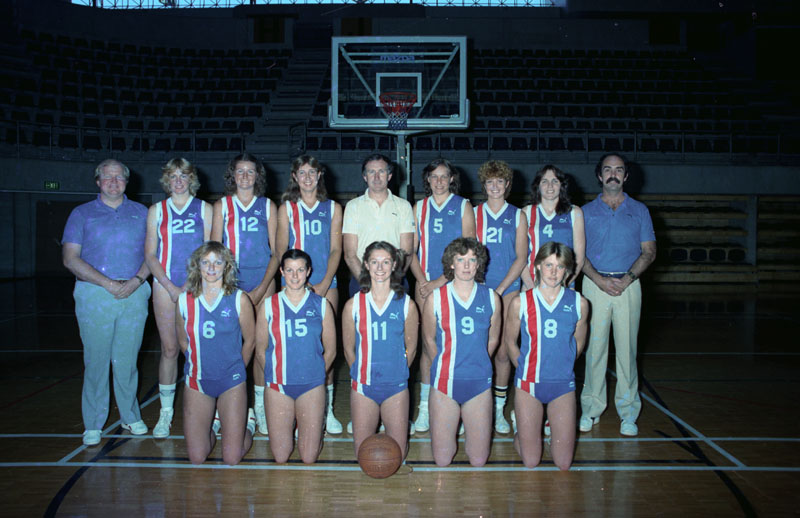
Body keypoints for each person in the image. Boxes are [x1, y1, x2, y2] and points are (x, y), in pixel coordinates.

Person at [62, 159, 151, 446]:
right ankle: (93, 423)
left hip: (134, 292)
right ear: (98, 182)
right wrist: (108, 283)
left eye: (119, 178)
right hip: (94, 295)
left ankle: (130, 415)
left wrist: (136, 281)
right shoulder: (81, 214)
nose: (113, 182)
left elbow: (154, 255)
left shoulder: (143, 213)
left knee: (127, 361)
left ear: (127, 181)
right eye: (107, 177)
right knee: (96, 361)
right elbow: (70, 258)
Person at [580, 153, 656, 437]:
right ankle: (591, 409)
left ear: (626, 176)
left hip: (628, 285)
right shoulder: (585, 212)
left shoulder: (640, 210)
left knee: (627, 351)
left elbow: (649, 251)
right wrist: (599, 279)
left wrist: (627, 279)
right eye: (607, 169)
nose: (613, 174)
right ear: (600, 176)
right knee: (594, 350)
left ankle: (628, 413)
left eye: (619, 170)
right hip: (594, 284)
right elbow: (578, 253)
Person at [504, 242, 589, 470]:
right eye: (549, 265)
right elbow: (510, 342)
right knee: (531, 461)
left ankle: (546, 432)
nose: (553, 272)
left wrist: (564, 363)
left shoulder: (579, 303)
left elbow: (579, 341)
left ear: (568, 271)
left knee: (563, 464)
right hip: (529, 384)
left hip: (562, 384)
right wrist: (523, 368)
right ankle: (522, 431)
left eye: (560, 267)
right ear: (538, 266)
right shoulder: (520, 302)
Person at [275, 155, 343, 435]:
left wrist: (326, 281)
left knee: (325, 347)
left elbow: (336, 248)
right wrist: (293, 284)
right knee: (293, 345)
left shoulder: (334, 207)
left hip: (327, 281)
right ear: (294, 176)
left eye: (311, 172)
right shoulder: (287, 209)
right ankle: (291, 408)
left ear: (319, 175)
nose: (306, 177)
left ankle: (326, 409)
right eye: (301, 172)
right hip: (293, 282)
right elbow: (281, 248)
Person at [144, 158, 212, 439]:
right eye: (173, 176)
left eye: (183, 175)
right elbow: (150, 254)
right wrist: (171, 286)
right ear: (166, 180)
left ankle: (211, 413)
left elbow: (210, 251)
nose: (178, 180)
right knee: (170, 349)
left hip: (198, 285)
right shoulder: (157, 210)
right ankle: (166, 414)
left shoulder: (205, 209)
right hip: (165, 285)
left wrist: (189, 284)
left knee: (201, 351)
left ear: (191, 178)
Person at [211, 153, 278, 434]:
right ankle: (223, 409)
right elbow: (214, 250)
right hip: (229, 285)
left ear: (258, 176)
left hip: (263, 280)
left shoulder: (268, 206)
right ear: (232, 175)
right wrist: (227, 287)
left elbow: (277, 251)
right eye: (240, 171)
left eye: (251, 171)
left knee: (261, 347)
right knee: (229, 348)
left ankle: (259, 408)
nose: (245, 176)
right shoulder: (222, 206)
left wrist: (262, 287)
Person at [423, 238, 501, 467]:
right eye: (461, 260)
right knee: (442, 460)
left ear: (479, 264)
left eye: (472, 260)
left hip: (478, 382)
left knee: (478, 460)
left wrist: (475, 360)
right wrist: (448, 362)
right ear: (451, 264)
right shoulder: (436, 298)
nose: (466, 266)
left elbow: (493, 339)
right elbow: (429, 339)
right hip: (445, 382)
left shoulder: (491, 298)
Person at [176, 241, 256, 465]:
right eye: (206, 262)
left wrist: (237, 369)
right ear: (197, 265)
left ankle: (248, 423)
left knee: (232, 458)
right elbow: (183, 341)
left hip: (231, 381)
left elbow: (250, 340)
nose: (211, 268)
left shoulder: (239, 299)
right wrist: (200, 363)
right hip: (198, 380)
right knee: (197, 457)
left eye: (217, 262)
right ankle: (213, 423)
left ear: (226, 267)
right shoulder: (184, 300)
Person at [410, 159, 475, 434]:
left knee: (456, 346)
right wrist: (423, 281)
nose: (439, 181)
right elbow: (410, 250)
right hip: (424, 284)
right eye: (434, 176)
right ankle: (425, 408)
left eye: (444, 176)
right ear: (427, 180)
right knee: (427, 347)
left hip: (455, 284)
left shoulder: (463, 205)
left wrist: (440, 280)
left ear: (451, 179)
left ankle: (457, 409)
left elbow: (469, 248)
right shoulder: (419, 207)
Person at [256, 249, 336, 464]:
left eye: (300, 270)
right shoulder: (268, 305)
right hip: (279, 386)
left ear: (308, 272)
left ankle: (313, 423)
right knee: (281, 457)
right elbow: (260, 348)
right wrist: (274, 376)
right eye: (289, 270)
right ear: (281, 271)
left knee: (309, 458)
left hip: (311, 385)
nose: (294, 276)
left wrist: (316, 376)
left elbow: (331, 349)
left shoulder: (321, 304)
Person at [343, 242, 419, 458]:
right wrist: (361, 373)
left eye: (385, 262)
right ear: (366, 265)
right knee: (363, 455)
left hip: (395, 385)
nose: (379, 268)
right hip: (364, 386)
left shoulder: (407, 304)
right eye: (374, 262)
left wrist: (396, 371)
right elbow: (349, 350)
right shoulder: (353, 305)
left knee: (398, 455)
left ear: (394, 265)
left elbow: (411, 348)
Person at [473, 160, 528, 435]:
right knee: (478, 349)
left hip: (508, 289)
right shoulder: (474, 213)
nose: (495, 186)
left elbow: (521, 257)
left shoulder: (518, 215)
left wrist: (501, 288)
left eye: (500, 181)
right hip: (479, 288)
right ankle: (474, 407)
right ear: (484, 186)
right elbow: (468, 253)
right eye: (489, 182)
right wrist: (480, 285)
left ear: (507, 185)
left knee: (504, 352)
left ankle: (498, 409)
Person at [342, 153, 415, 298]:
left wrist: (393, 282)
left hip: (395, 281)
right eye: (371, 172)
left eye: (381, 171)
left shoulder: (403, 206)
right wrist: (367, 283)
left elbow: (407, 252)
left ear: (389, 176)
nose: (376, 177)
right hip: (361, 281)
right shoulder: (353, 206)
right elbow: (350, 254)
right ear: (365, 176)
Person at [521, 165, 585, 290]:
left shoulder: (574, 212)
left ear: (562, 185)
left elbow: (579, 257)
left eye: (555, 181)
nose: (550, 186)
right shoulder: (526, 212)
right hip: (532, 283)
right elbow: (520, 256)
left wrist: (565, 284)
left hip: (564, 283)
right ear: (538, 186)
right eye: (544, 181)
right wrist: (530, 285)